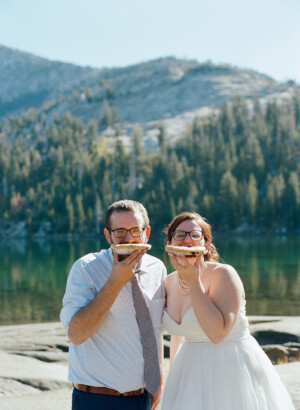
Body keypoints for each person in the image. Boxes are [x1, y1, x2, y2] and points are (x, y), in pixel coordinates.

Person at [160, 211, 295, 410]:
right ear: (170, 243)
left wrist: (195, 284)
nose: (187, 240)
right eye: (180, 235)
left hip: (230, 370)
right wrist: (174, 379)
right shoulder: (168, 282)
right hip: (188, 373)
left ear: (205, 245)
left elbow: (217, 334)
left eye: (195, 235)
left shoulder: (224, 274)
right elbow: (177, 336)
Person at [60, 199, 167, 410]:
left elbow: (154, 330)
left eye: (136, 230)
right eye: (120, 232)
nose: (129, 239)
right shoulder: (85, 268)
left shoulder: (158, 268)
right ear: (108, 235)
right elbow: (76, 334)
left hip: (142, 398)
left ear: (147, 233)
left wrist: (158, 379)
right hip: (96, 399)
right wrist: (115, 282)